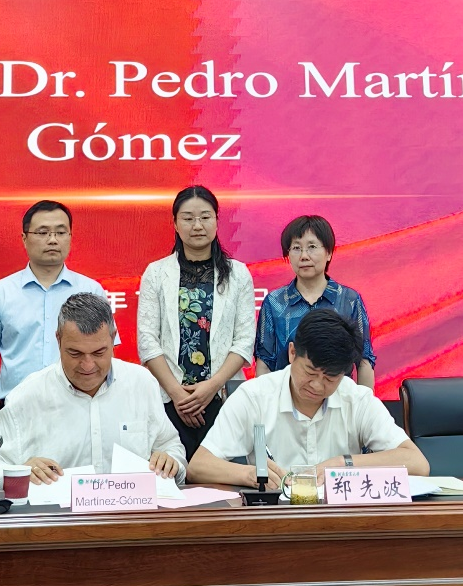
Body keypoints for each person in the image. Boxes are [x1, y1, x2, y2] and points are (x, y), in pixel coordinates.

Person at [0, 293, 185, 489]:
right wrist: (20, 472)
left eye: (99, 352)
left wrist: (169, 460)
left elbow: (170, 446)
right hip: (55, 518)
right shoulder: (27, 396)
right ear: (58, 340)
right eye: (75, 353)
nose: (88, 365)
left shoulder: (141, 383)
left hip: (131, 514)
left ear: (113, 339)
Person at [189, 309, 427, 488]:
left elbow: (417, 463)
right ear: (292, 353)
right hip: (275, 520)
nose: (317, 386)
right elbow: (198, 466)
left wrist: (342, 464)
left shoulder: (357, 399)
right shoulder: (254, 396)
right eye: (310, 372)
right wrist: (250, 475)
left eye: (330, 378)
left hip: (341, 519)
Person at [0, 200, 112, 436]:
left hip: (78, 409)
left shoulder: (91, 290)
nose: (52, 240)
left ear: (70, 237)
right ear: (24, 239)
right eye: (43, 232)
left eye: (60, 232)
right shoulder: (1, 292)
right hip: (16, 410)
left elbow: (105, 353)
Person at [137, 186, 256, 459]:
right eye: (188, 218)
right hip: (170, 400)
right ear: (175, 224)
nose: (197, 225)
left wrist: (210, 387)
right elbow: (147, 341)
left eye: (205, 217)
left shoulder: (238, 274)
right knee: (171, 473)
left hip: (222, 396)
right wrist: (178, 395)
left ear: (217, 220)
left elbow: (244, 342)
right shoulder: (156, 273)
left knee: (223, 475)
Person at [255, 215, 377, 386]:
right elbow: (264, 363)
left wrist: (365, 402)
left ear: (329, 253)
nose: (304, 256)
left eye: (312, 247)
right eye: (296, 248)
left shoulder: (349, 300)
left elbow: (364, 362)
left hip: (337, 396)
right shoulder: (275, 302)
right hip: (287, 396)